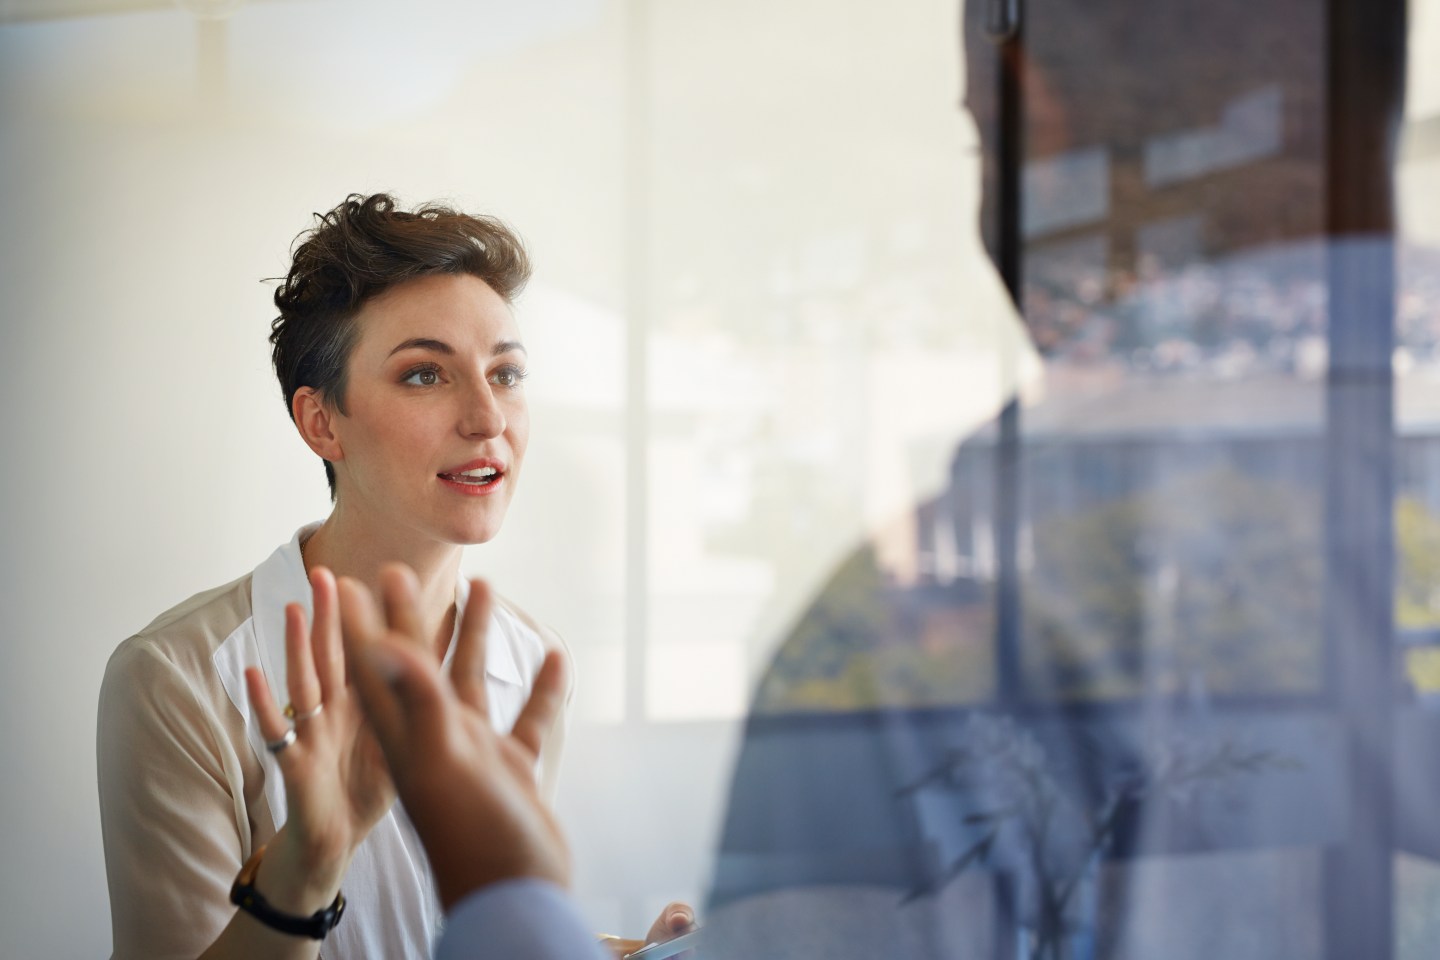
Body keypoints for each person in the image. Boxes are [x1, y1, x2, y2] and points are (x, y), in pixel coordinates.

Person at [96, 194, 691, 959]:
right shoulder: (177, 681)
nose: (488, 418)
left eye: (506, 373)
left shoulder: (534, 662)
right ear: (321, 422)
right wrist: (307, 868)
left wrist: (618, 951)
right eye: (424, 376)